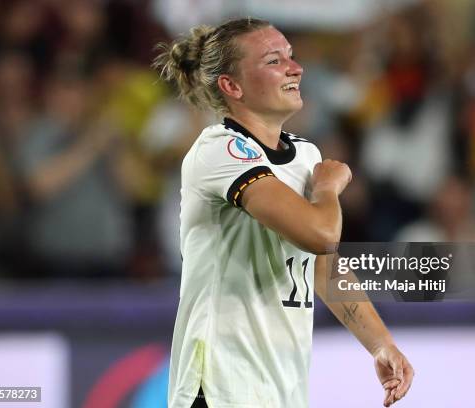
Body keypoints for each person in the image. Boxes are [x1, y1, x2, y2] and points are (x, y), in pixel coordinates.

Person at [154, 17, 414, 408]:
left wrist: (381, 345)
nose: (296, 68)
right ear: (232, 85)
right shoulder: (220, 151)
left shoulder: (305, 155)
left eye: (291, 57)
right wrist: (328, 188)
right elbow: (321, 234)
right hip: (220, 388)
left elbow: (322, 264)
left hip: (280, 388)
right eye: (274, 61)